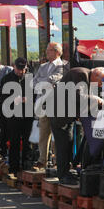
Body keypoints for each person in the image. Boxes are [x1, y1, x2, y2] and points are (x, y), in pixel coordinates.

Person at [49, 66, 104, 185]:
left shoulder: (87, 78)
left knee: (68, 143)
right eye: (101, 82)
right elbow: (77, 95)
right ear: (96, 75)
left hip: (67, 115)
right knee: (63, 145)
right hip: (59, 115)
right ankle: (63, 175)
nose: (101, 86)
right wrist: (95, 98)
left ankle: (66, 172)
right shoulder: (80, 75)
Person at [32, 42, 66, 170]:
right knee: (43, 134)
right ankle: (42, 160)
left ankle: (57, 161)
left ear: (57, 52)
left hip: (55, 104)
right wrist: (45, 82)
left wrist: (44, 82)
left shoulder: (62, 66)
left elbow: (54, 80)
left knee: (56, 135)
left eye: (49, 50)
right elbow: (34, 83)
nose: (47, 53)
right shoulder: (43, 66)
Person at [0, 58, 34, 176]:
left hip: (27, 115)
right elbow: (1, 97)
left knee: (27, 141)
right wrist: (14, 100)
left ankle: (25, 166)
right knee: (14, 141)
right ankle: (13, 167)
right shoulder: (6, 79)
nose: (21, 72)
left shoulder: (30, 78)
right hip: (13, 115)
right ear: (14, 67)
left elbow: (36, 95)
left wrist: (29, 100)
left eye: (23, 69)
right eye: (19, 69)